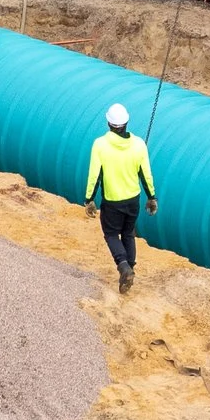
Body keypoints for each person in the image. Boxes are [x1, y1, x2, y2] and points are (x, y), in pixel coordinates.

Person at [83, 101, 157, 293]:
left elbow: (94, 175)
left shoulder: (100, 145)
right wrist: (152, 197)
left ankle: (123, 265)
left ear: (108, 123)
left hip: (113, 201)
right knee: (128, 233)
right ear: (126, 123)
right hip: (134, 200)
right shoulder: (139, 144)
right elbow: (146, 174)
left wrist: (89, 199)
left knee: (110, 234)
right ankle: (130, 268)